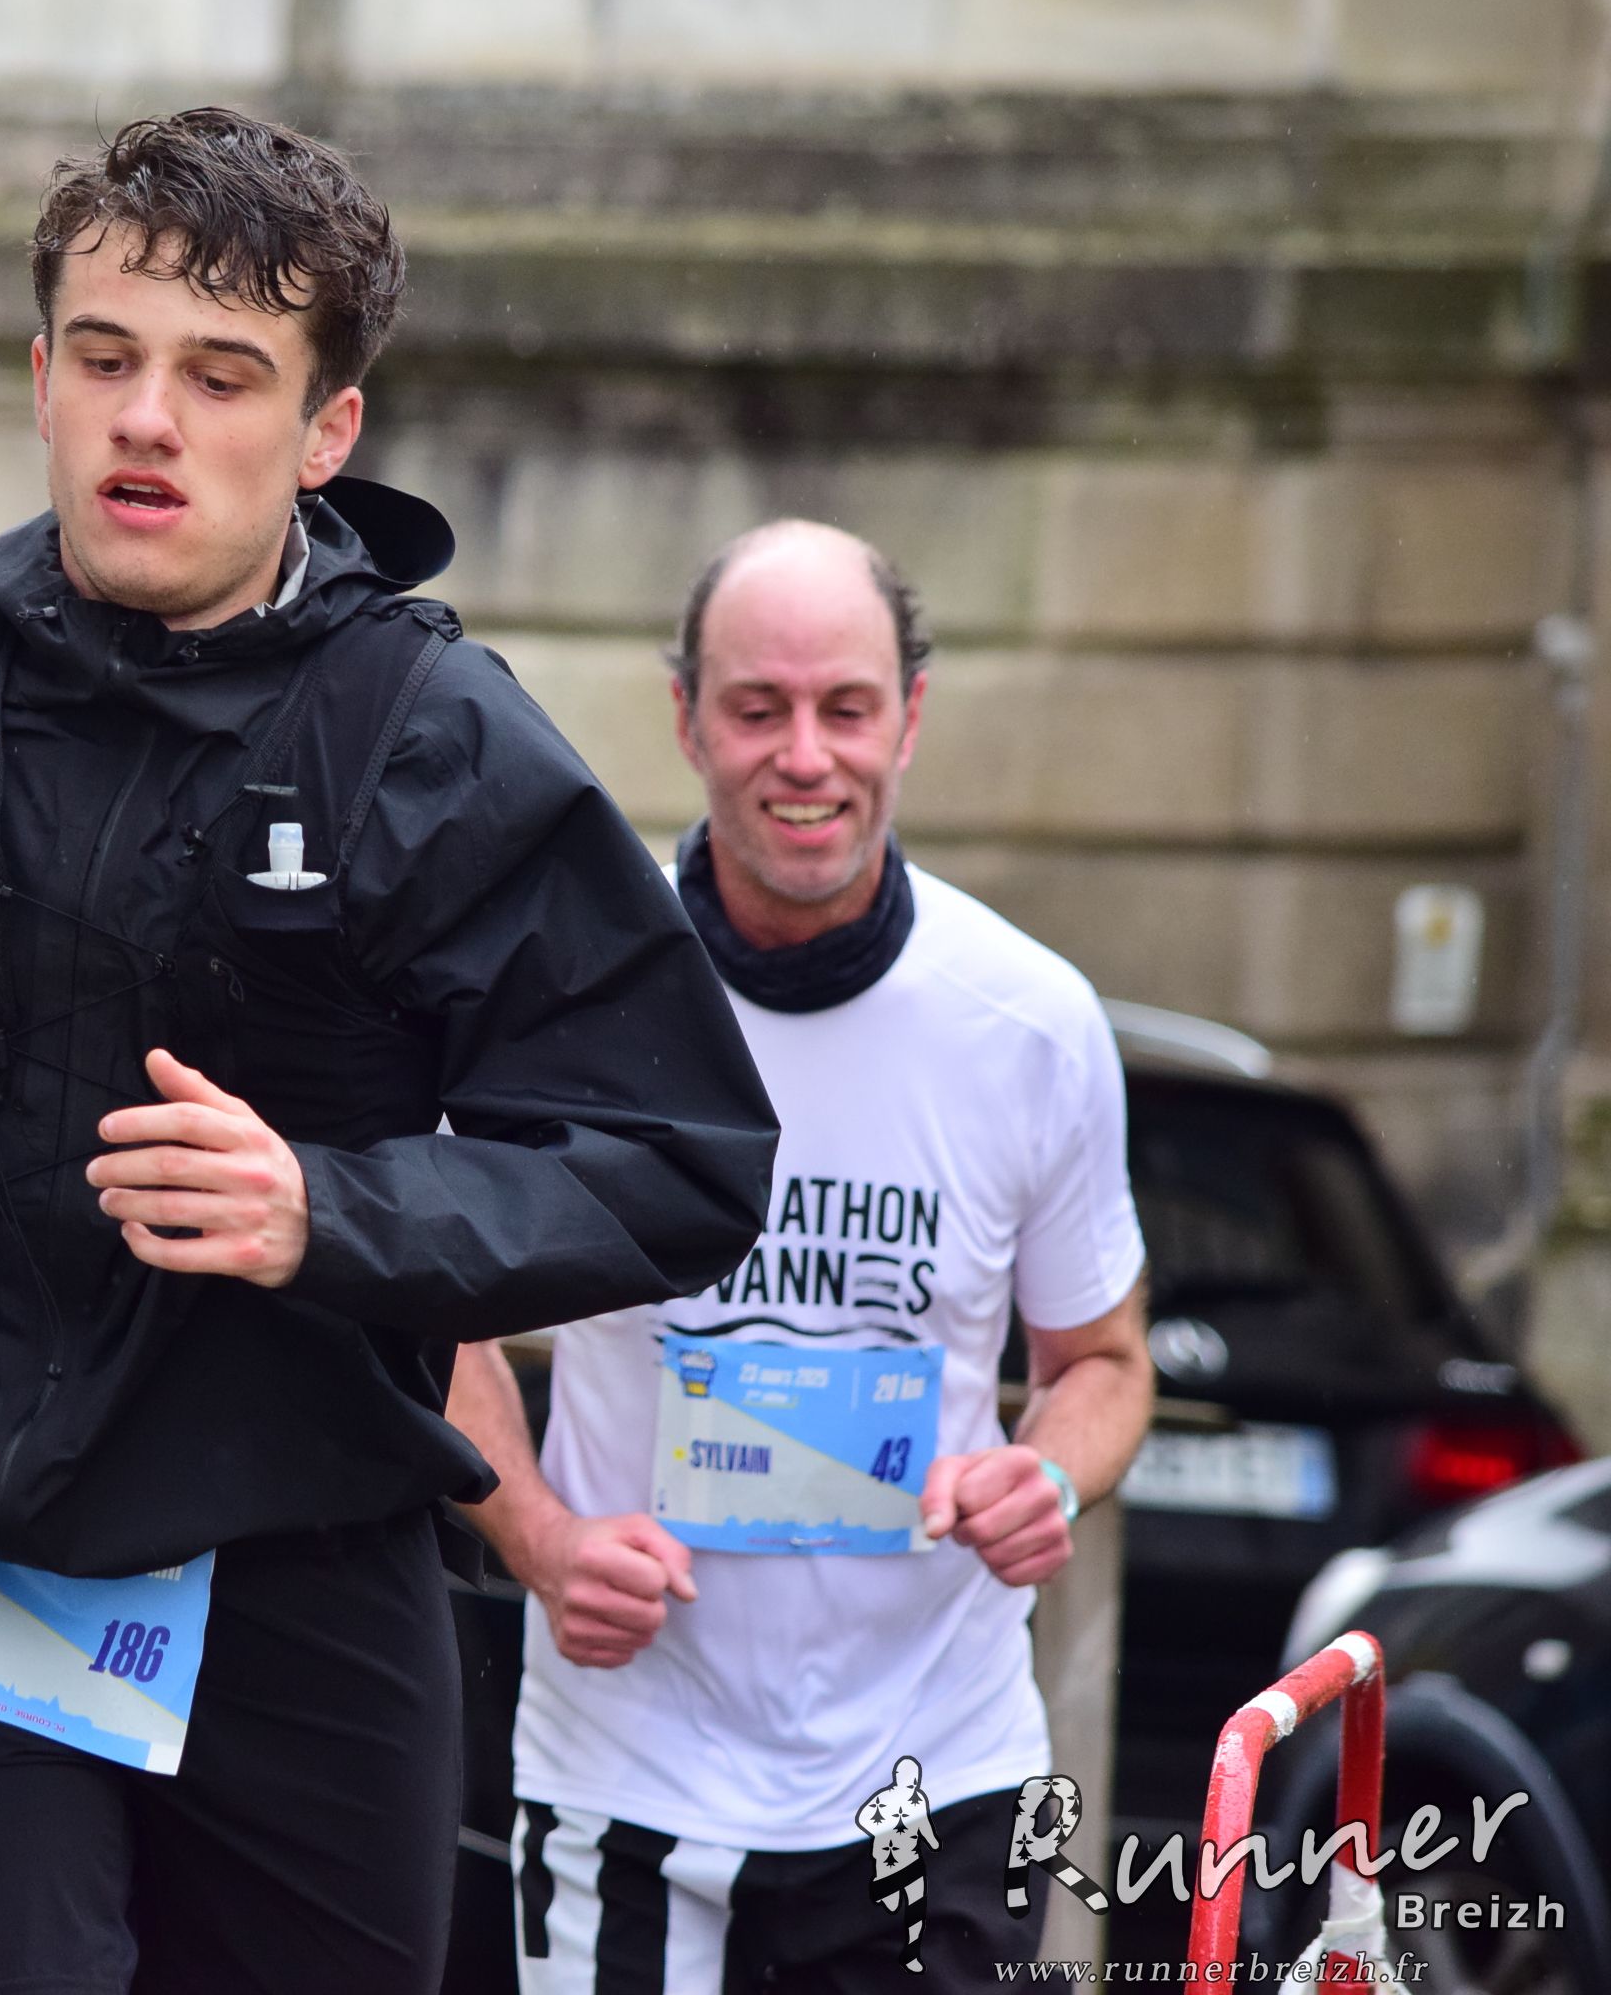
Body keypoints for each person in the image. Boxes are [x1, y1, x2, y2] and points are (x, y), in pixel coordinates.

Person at [0, 107, 779, 1995]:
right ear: (40, 382)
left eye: (222, 377)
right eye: (107, 359)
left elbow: (674, 1155)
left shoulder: (436, 738)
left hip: (308, 1581)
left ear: (325, 431)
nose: (149, 421)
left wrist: (331, 1211)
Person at [449, 521, 1156, 1993]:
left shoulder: (1029, 1021)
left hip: (937, 1775)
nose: (805, 756)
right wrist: (540, 1538)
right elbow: (434, 1315)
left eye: (846, 707)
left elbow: (1100, 1360)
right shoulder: (565, 990)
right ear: (685, 717)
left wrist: (1046, 1475)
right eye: (758, 708)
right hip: (627, 1770)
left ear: (911, 714)